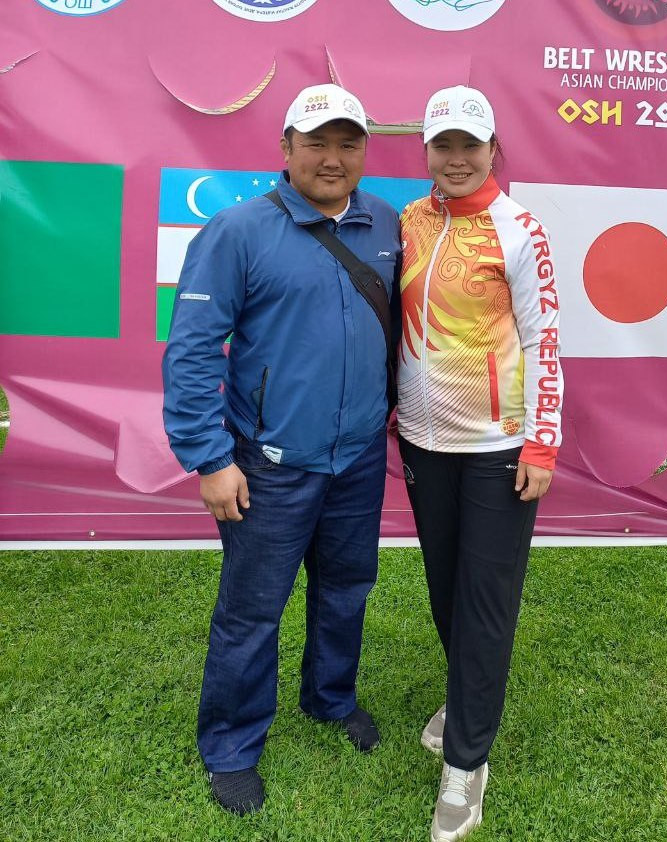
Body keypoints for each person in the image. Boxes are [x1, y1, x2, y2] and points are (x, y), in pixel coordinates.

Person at [161, 84, 401, 815]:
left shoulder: (386, 223)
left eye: (348, 143)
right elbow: (192, 351)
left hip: (357, 458)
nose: (332, 158)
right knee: (252, 610)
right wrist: (210, 458)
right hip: (267, 464)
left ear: (364, 150)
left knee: (347, 589)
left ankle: (330, 699)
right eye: (316, 142)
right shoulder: (237, 231)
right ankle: (232, 746)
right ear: (286, 148)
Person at [396, 85, 564, 842]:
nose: (457, 158)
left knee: (486, 606)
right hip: (423, 443)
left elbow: (544, 342)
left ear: (494, 149)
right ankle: (467, 698)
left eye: (471, 145)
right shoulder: (410, 221)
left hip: (498, 448)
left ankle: (467, 765)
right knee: (446, 594)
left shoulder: (520, 230)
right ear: (427, 150)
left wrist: (541, 442)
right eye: (444, 145)